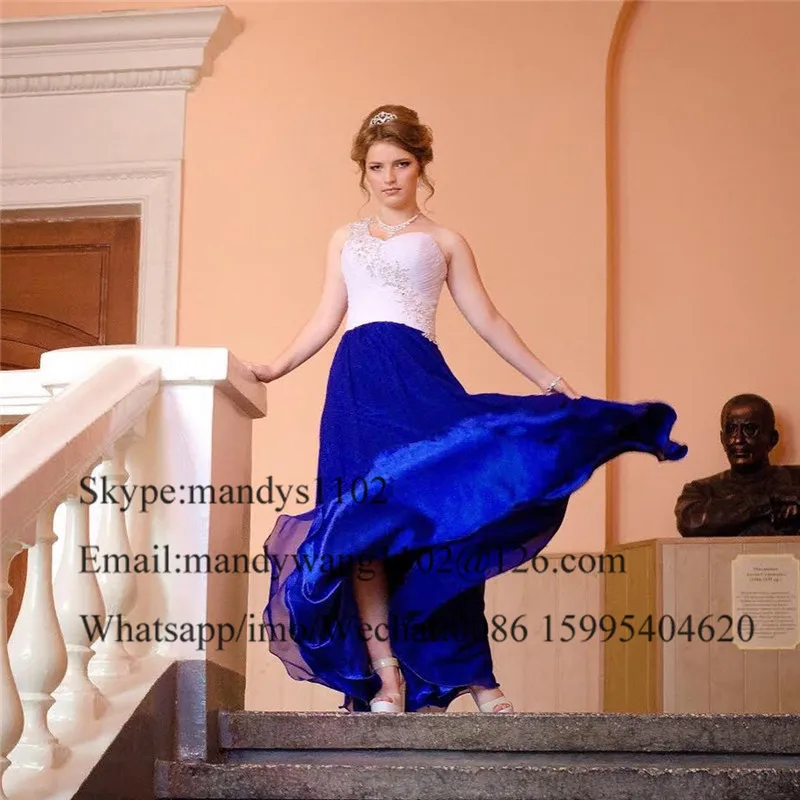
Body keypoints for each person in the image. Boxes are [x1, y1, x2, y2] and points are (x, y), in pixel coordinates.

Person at [245, 104, 687, 715]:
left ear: (421, 165)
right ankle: (388, 680)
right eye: (376, 166)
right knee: (359, 535)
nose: (389, 177)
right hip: (355, 392)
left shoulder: (445, 241)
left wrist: (549, 378)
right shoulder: (343, 240)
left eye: (401, 163)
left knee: (449, 526)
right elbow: (326, 315)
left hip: (418, 381)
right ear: (363, 172)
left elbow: (488, 319)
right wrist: (276, 366)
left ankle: (478, 678)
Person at [675, 394, 800, 537]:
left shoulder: (796, 479)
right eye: (731, 430)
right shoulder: (701, 490)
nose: (738, 439)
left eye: (750, 429)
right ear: (722, 439)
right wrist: (765, 502)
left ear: (773, 439)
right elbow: (690, 522)